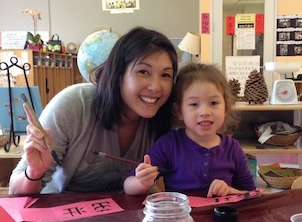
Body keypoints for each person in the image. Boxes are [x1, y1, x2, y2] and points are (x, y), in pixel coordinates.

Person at [9, 26, 178, 194]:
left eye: (166, 75)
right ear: (118, 75)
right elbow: (15, 191)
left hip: (127, 218)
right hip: (63, 215)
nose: (156, 87)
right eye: (143, 72)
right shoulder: (73, 105)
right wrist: (34, 173)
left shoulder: (167, 118)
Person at [124, 63, 256, 198]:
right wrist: (141, 182)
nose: (205, 112)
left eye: (214, 103)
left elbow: (251, 194)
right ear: (179, 111)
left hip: (221, 217)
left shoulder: (232, 148)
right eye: (194, 104)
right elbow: (128, 185)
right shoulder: (169, 144)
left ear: (226, 109)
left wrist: (230, 191)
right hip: (180, 217)